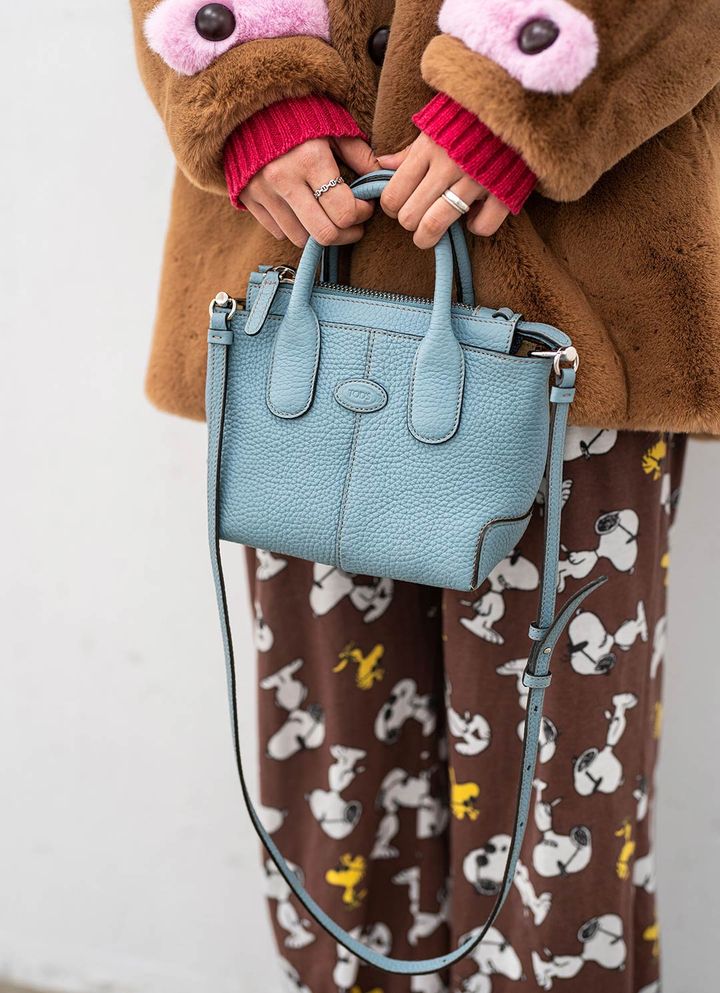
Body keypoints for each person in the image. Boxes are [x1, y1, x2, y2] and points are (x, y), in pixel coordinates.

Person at [130, 2, 720, 991]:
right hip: (305, 304)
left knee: (556, 811)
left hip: (572, 322)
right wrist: (248, 90)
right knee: (338, 795)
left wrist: (523, 86)